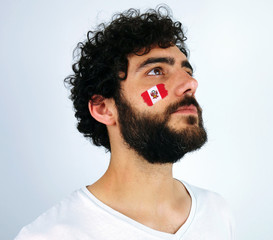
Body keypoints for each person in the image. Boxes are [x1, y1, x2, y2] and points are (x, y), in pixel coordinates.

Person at [15, 6, 234, 240]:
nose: (190, 83)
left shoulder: (217, 213)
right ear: (103, 109)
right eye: (156, 71)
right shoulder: (51, 235)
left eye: (186, 70)